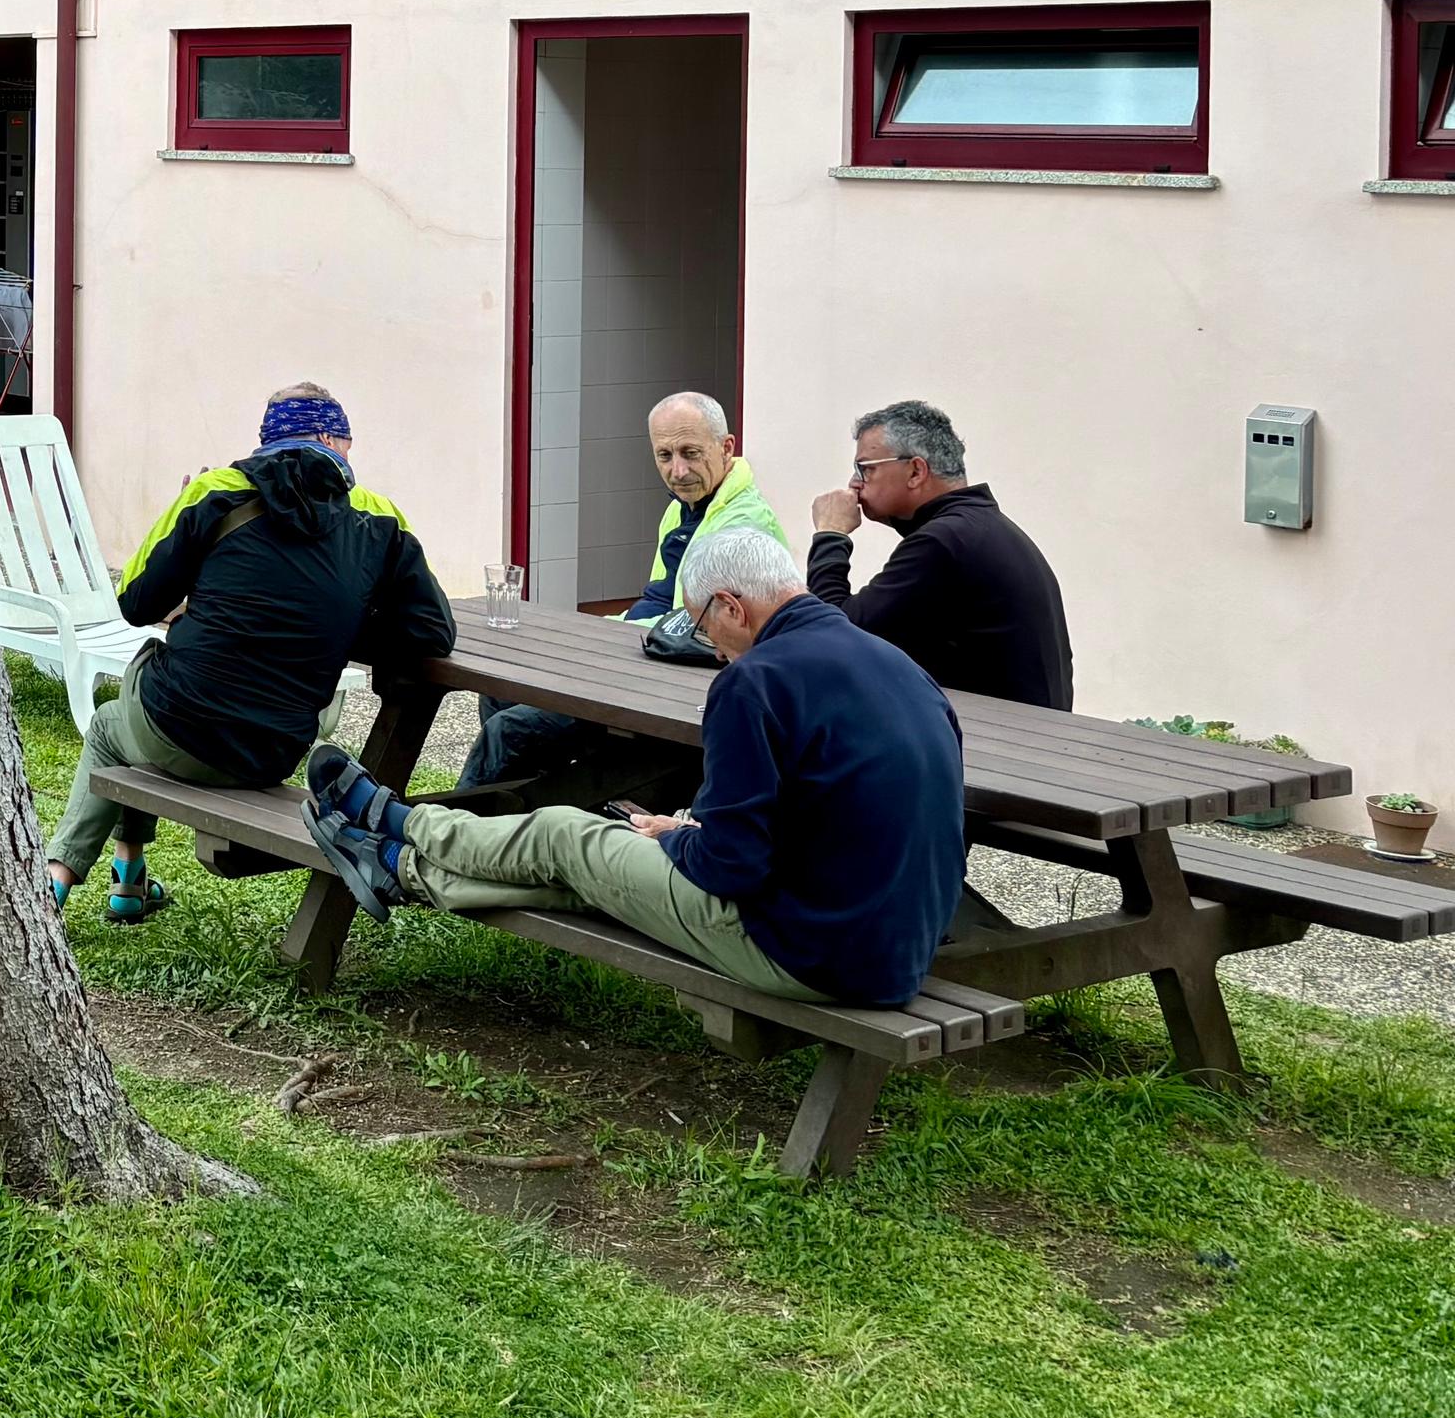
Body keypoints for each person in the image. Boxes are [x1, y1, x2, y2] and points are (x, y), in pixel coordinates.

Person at [303, 529, 968, 1010]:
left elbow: (729, 868)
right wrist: (687, 833)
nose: (709, 646)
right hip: (895, 949)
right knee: (595, 869)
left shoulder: (756, 682)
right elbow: (825, 813)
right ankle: (393, 865)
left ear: (733, 606)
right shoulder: (902, 670)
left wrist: (679, 840)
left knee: (566, 836)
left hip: (808, 953)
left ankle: (398, 821)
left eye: (704, 627)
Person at [43, 384, 456, 924]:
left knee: (108, 725)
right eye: (348, 443)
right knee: (129, 717)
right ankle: (129, 881)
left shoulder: (218, 492)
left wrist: (184, 529)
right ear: (332, 439)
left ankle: (56, 883)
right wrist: (327, 622)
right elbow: (434, 631)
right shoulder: (378, 518)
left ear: (270, 441)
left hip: (176, 728)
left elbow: (136, 602)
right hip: (273, 751)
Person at [457, 391, 788, 811]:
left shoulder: (741, 524)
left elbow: (693, 632)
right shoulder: (687, 506)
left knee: (511, 730)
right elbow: (655, 602)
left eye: (690, 453)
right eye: (664, 455)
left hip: (685, 693)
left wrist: (598, 637)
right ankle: (526, 818)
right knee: (500, 693)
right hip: (652, 668)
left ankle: (444, 837)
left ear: (727, 448)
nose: (677, 470)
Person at [807, 399, 1074, 709]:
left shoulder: (944, 542)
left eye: (865, 469)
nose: (854, 483)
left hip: (995, 747)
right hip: (1027, 741)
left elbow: (833, 633)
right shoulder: (978, 528)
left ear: (916, 471)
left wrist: (830, 534)